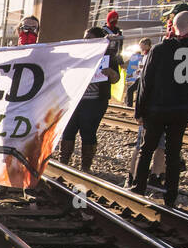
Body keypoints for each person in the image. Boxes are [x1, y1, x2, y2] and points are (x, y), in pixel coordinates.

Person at [132, 10, 188, 207]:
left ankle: (138, 186)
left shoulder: (159, 49)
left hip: (156, 107)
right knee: (173, 152)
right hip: (180, 109)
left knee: (147, 148)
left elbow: (145, 82)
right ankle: (171, 194)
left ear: (172, 26)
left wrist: (140, 110)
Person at [60, 27, 114, 172]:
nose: (86, 40)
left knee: (88, 131)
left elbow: (116, 79)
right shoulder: (78, 54)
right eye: (85, 37)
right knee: (68, 130)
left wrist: (109, 72)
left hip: (95, 102)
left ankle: (85, 167)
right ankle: (63, 162)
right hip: (75, 100)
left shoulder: (107, 55)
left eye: (89, 38)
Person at [124, 38, 152, 107]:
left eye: (141, 45)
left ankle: (129, 106)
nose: (140, 47)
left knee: (131, 90)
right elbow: (141, 67)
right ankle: (130, 105)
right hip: (140, 76)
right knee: (132, 90)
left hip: (144, 77)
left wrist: (140, 69)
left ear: (146, 45)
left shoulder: (150, 54)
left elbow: (145, 66)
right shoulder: (144, 54)